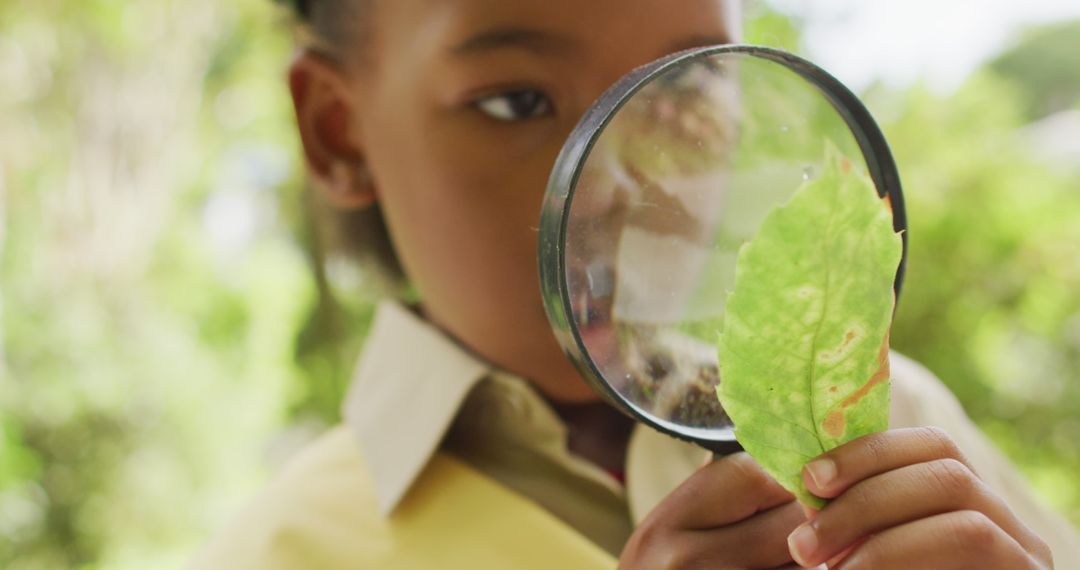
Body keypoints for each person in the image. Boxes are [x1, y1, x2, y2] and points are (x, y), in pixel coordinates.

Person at [191, 0, 1080, 567]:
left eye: (689, 88)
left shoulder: (898, 420)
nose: (636, 176)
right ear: (339, 130)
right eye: (517, 101)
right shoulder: (280, 552)